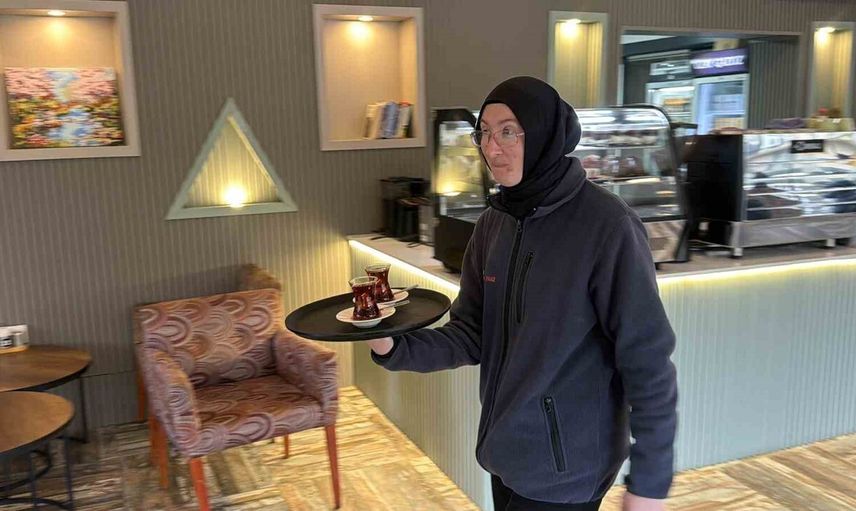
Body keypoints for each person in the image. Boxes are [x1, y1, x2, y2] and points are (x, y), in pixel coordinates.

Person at [367, 76, 677, 511]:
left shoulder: (607, 226)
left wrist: (650, 482)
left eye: (508, 131)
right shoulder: (493, 223)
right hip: (506, 451)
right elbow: (471, 333)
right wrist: (392, 344)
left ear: (545, 134)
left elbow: (647, 360)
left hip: (567, 467)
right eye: (484, 133)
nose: (492, 148)